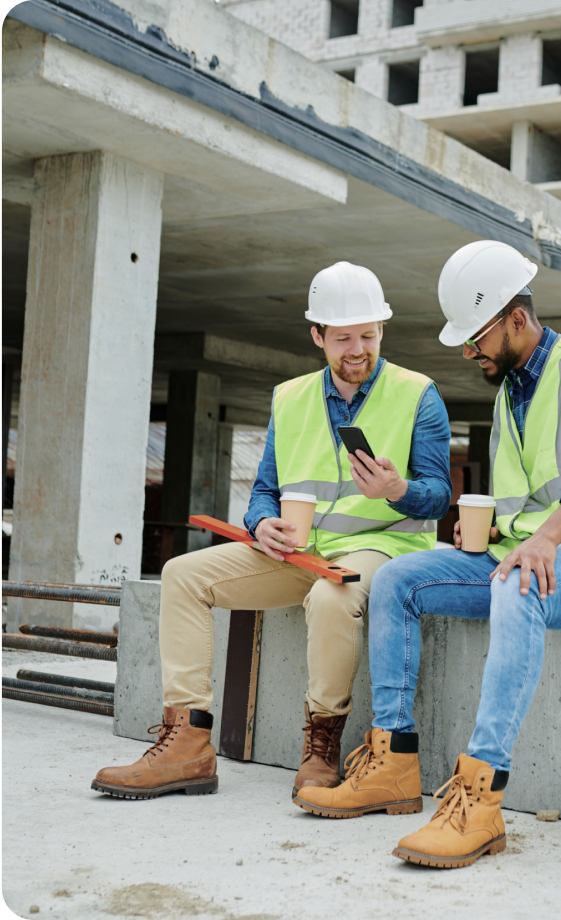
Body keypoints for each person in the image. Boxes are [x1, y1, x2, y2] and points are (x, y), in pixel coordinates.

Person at [92, 261, 451, 801]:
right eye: (343, 337)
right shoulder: (290, 399)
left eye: (369, 335)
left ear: (383, 329)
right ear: (317, 336)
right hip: (296, 552)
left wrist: (398, 491)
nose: (358, 349)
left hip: (382, 547)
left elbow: (440, 494)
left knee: (334, 598)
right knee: (181, 575)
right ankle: (187, 745)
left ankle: (321, 744)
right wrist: (262, 523)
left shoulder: (419, 395)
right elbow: (264, 489)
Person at [294, 241, 560, 869]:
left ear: (515, 320)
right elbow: (526, 502)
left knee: (515, 586)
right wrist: (490, 534)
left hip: (548, 562)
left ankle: (481, 794)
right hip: (522, 554)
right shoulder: (509, 393)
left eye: (476, 339)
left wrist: (545, 538)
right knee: (400, 579)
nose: (469, 352)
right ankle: (393, 759)